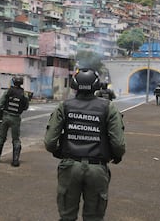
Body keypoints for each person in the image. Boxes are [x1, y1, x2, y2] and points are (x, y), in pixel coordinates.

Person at [44, 68, 126, 220]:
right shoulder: (108, 107)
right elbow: (118, 144)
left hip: (69, 167)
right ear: (96, 86)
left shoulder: (64, 106)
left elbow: (49, 142)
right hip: (97, 168)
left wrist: (58, 152)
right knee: (94, 217)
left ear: (75, 86)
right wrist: (117, 155)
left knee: (67, 216)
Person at [0, 76, 30, 167]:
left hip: (5, 116)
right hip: (16, 118)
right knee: (16, 139)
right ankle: (15, 161)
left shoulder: (8, 91)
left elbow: (0, 105)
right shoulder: (24, 94)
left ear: (13, 82)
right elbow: (25, 107)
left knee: (1, 137)